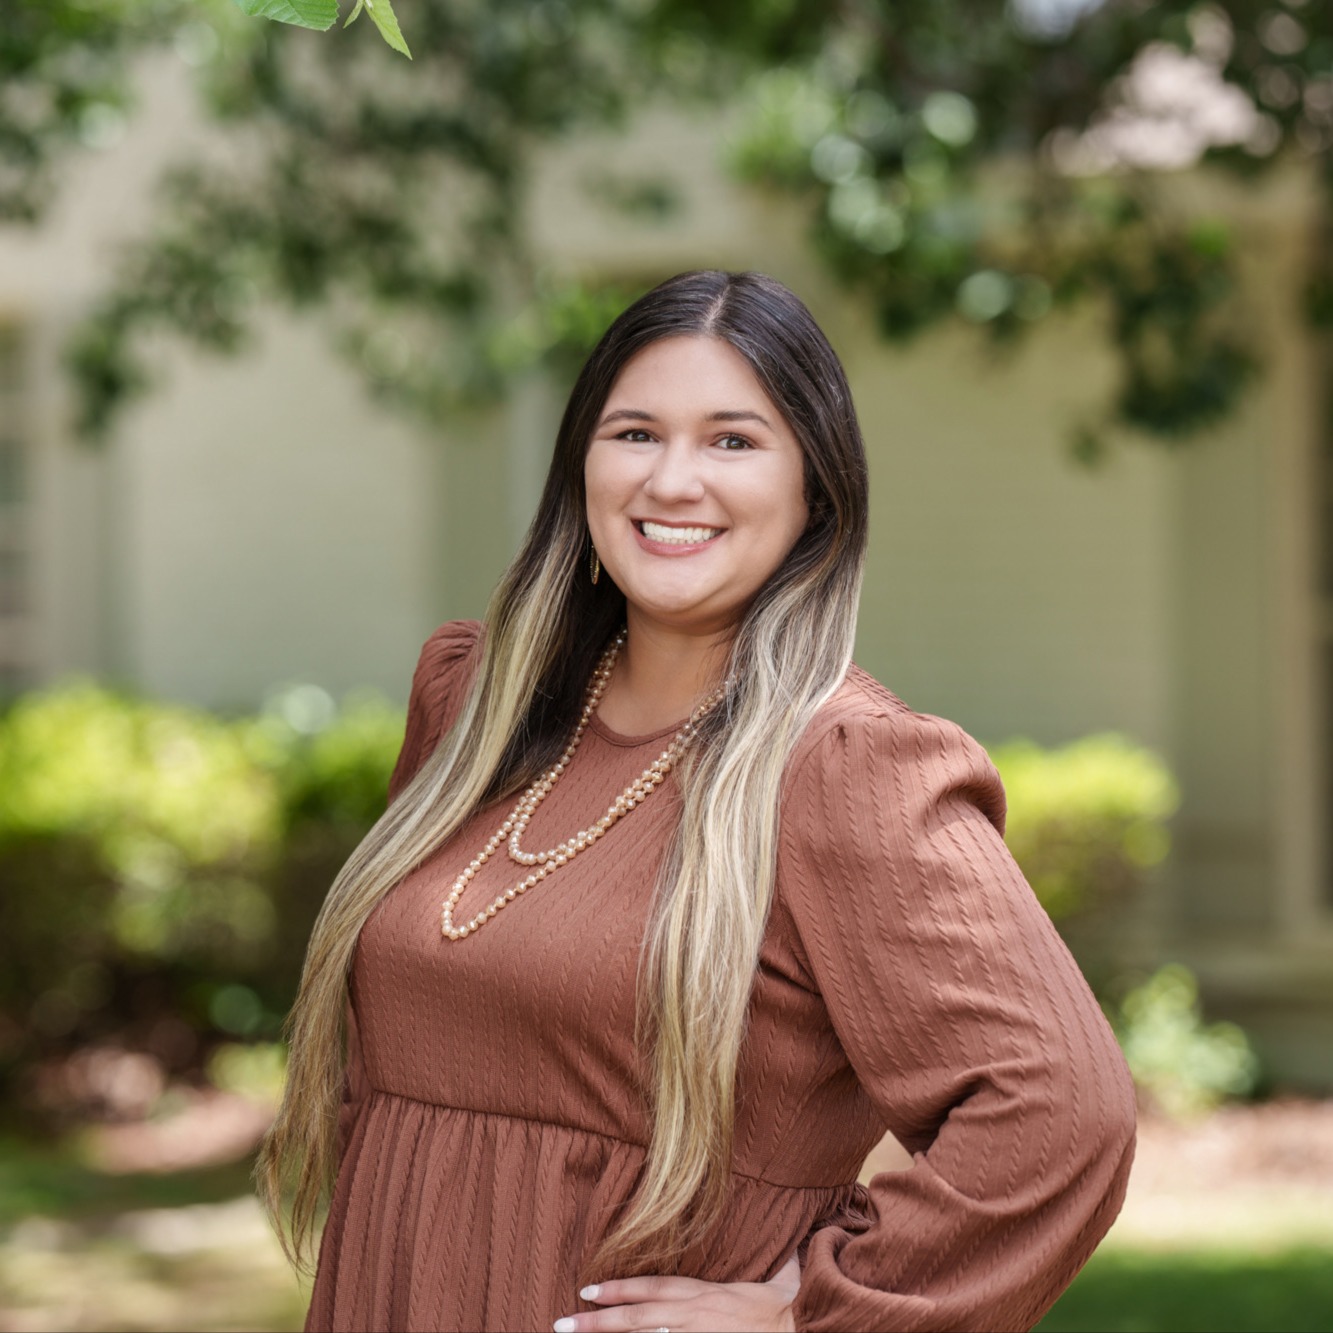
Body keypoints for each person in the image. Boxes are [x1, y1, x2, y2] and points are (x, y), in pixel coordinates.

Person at [258, 269, 1136, 1333]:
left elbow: (1058, 1114)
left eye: (732, 441)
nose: (673, 481)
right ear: (580, 461)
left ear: (815, 486)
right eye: (634, 433)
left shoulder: (846, 768)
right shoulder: (472, 707)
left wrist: (806, 1312)